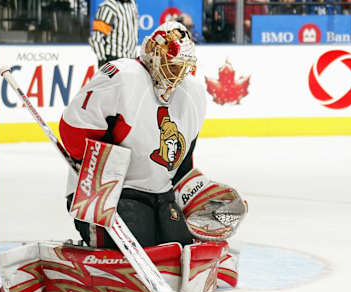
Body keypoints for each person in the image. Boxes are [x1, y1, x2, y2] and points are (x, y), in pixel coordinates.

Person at [59, 21, 247, 250]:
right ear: (152, 52)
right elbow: (73, 130)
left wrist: (196, 193)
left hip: (160, 194)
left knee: (178, 244)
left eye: (181, 67)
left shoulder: (193, 94)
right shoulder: (123, 77)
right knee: (140, 243)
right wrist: (100, 176)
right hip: (114, 192)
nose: (175, 74)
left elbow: (182, 165)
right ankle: (98, 241)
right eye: (171, 63)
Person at [89, 0, 138, 68]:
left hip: (131, 60)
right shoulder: (109, 6)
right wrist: (103, 61)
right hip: (113, 60)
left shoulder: (132, 4)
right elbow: (96, 38)